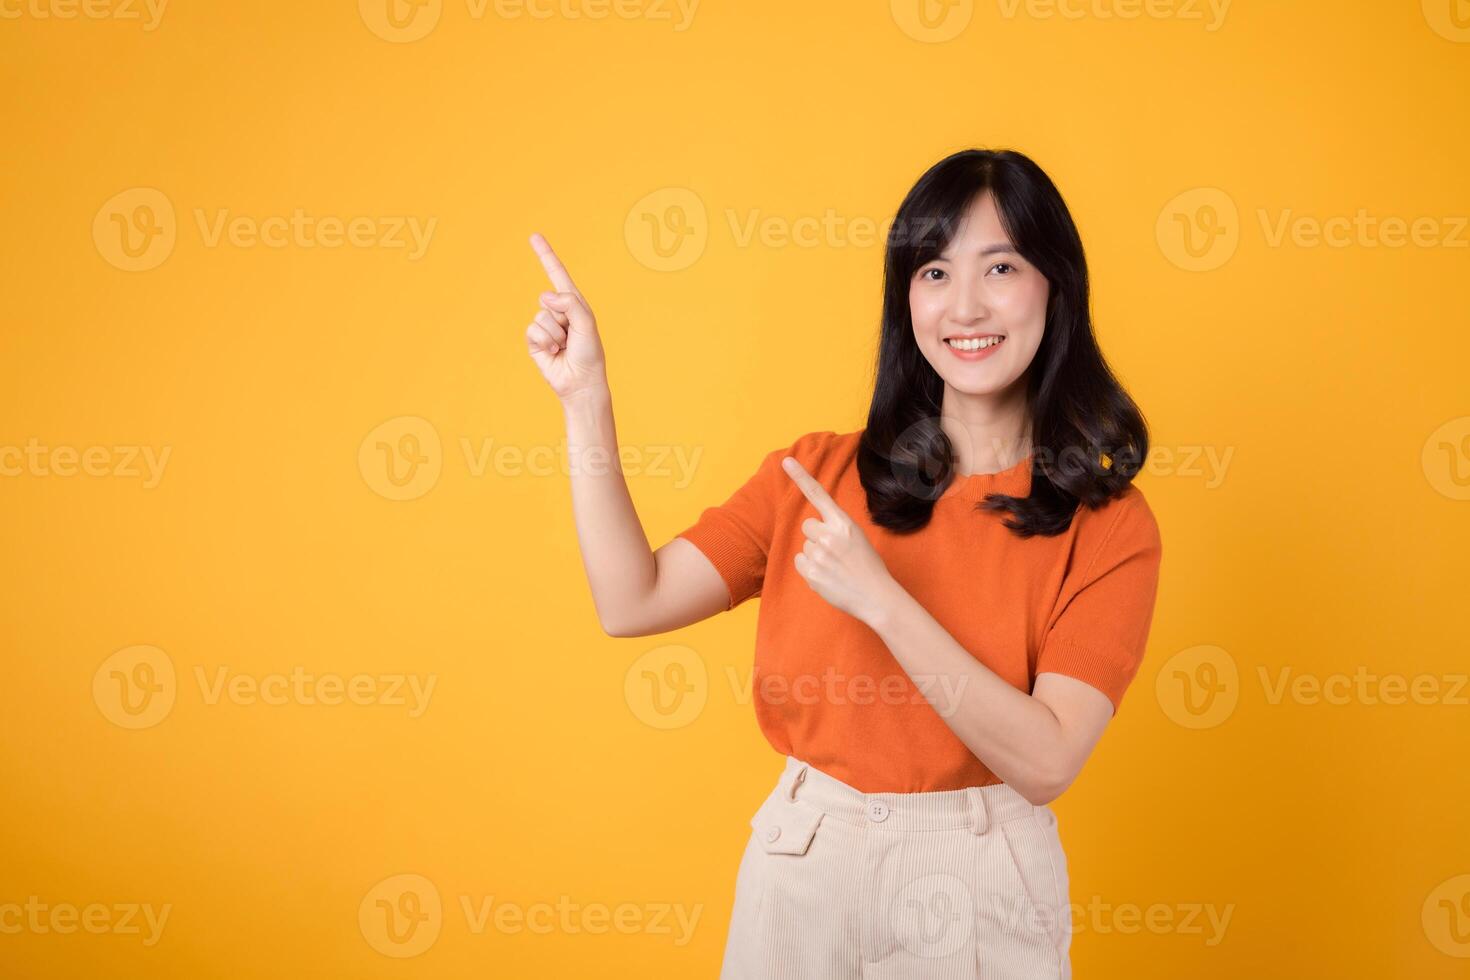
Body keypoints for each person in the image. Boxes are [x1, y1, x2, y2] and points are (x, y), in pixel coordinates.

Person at [524, 147, 1163, 980]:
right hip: (806, 861)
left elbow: (1046, 763)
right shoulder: (814, 476)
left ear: (1055, 286)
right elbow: (630, 600)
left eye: (1000, 266)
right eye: (933, 272)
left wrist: (882, 599)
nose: (964, 305)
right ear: (907, 300)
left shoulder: (1108, 524)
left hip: (978, 871)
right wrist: (586, 400)